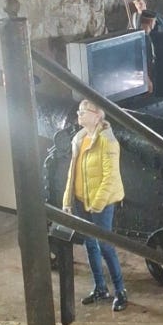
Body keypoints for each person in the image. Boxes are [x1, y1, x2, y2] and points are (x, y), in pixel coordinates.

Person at [62, 98, 128, 312]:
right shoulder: (79, 139)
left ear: (97, 116)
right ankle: (100, 287)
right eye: (79, 111)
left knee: (105, 246)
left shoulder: (108, 141)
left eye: (84, 111)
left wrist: (97, 204)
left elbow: (110, 176)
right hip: (82, 201)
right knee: (90, 245)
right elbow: (72, 173)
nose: (79, 114)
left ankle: (120, 291)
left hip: (100, 204)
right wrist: (67, 199)